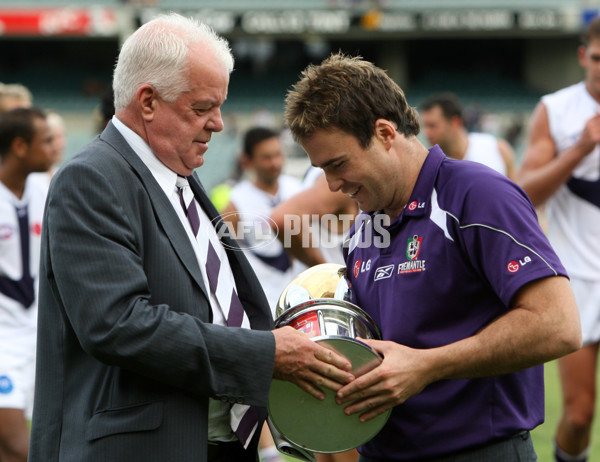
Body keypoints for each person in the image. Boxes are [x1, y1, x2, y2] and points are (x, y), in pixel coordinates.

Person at [28, 14, 355, 462]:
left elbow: (212, 304)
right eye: (201, 108)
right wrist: (264, 354)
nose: (218, 124)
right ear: (147, 102)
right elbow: (116, 324)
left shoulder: (178, 176)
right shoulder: (93, 177)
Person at [284, 52, 582, 462]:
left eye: (337, 164)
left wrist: (427, 365)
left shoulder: (476, 195)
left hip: (478, 452)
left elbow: (558, 324)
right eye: (322, 170)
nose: (333, 185)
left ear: (385, 133)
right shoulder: (360, 232)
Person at [517, 16, 600, 462]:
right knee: (580, 414)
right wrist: (580, 150)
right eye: (598, 58)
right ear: (583, 55)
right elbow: (523, 193)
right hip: (580, 278)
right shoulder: (558, 109)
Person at [0, 107, 54, 462]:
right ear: (20, 146)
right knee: (20, 448)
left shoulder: (47, 187)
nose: (54, 148)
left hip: (38, 334)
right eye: (45, 141)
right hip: (3, 341)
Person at [222, 127, 302, 313]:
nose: (275, 163)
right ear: (248, 161)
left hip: (300, 294)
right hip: (261, 302)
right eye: (266, 157)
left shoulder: (297, 189)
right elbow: (227, 256)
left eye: (278, 155)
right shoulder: (236, 202)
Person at [419, 92, 517, 180]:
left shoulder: (497, 149)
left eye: (432, 126)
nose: (426, 133)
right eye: (425, 126)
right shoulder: (429, 167)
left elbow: (517, 197)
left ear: (455, 122)